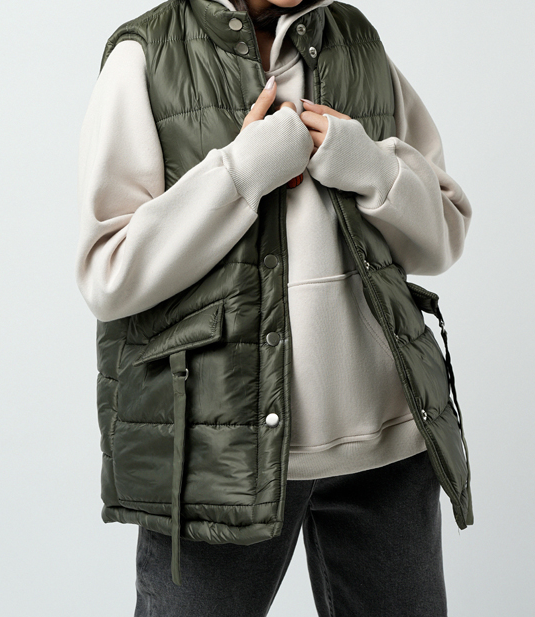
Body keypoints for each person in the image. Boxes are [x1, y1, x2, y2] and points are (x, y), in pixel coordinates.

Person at [75, 0, 474, 614]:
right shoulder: (146, 54)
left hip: (392, 448)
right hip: (221, 457)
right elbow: (108, 274)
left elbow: (442, 238)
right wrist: (242, 172)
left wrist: (370, 166)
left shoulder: (357, 42)